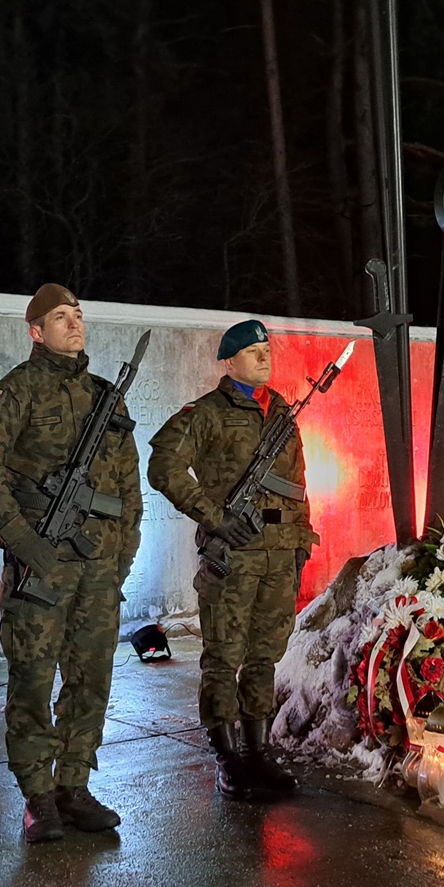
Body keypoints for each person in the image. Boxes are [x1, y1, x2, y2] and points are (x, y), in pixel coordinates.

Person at [0, 284, 143, 843]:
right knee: (33, 681)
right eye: (60, 317)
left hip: (100, 571)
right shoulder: (16, 391)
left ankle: (74, 787)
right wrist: (21, 536)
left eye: (79, 315)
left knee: (91, 681)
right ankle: (38, 797)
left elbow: (128, 489)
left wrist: (124, 555)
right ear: (36, 330)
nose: (74, 324)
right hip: (41, 568)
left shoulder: (108, 397)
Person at [147, 320, 320, 801]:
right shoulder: (207, 412)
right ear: (229, 361)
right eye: (252, 350)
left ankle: (259, 753)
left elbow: (298, 482)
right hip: (234, 556)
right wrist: (213, 516)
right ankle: (227, 758)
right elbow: (163, 463)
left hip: (279, 556)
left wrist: (301, 540)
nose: (264, 357)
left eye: (267, 349)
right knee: (224, 658)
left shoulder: (283, 410)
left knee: (265, 656)